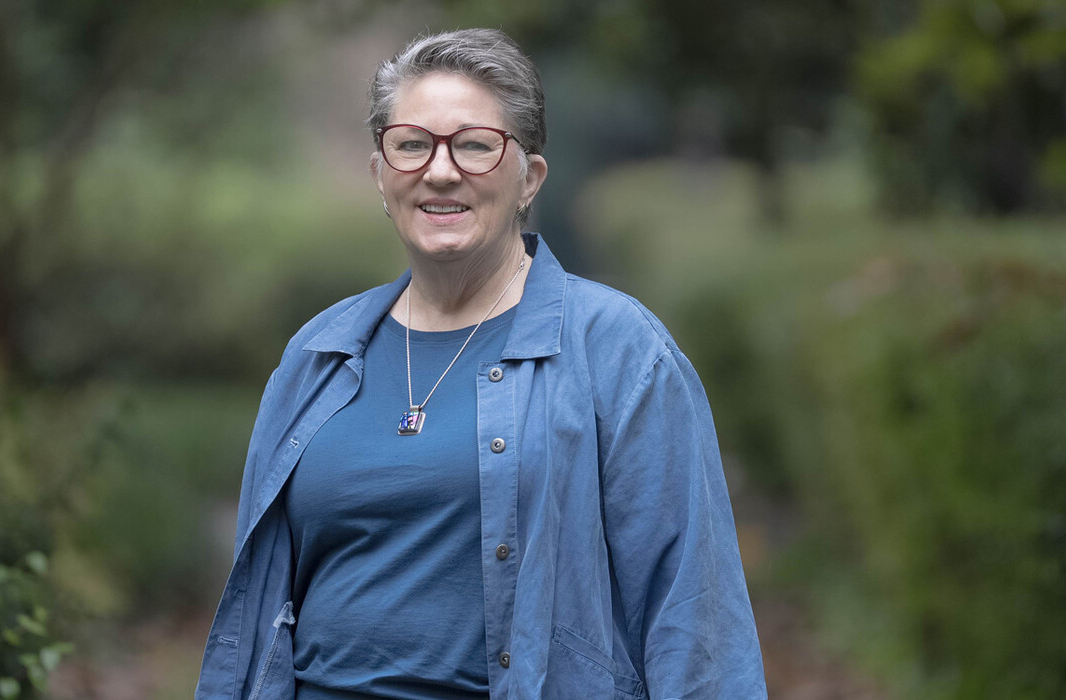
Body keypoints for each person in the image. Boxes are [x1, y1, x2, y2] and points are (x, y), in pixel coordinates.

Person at [197, 28, 766, 700]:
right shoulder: (317, 355)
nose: (440, 171)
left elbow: (694, 617)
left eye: (474, 145)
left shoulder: (619, 350)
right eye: (412, 144)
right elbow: (254, 616)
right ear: (381, 174)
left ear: (529, 179)